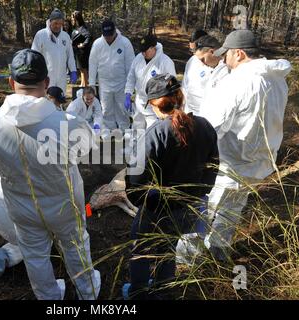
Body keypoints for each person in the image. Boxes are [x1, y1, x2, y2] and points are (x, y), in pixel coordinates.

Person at [0, 49, 100, 300]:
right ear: (46, 83)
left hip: (21, 205)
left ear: (11, 83)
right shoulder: (70, 123)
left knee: (34, 255)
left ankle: (49, 297)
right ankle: (88, 292)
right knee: (75, 246)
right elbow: (83, 152)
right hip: (64, 204)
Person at [123, 73, 219, 299]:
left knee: (142, 250)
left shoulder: (156, 133)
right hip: (186, 208)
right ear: (180, 97)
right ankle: (163, 291)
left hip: (156, 209)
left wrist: (151, 204)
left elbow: (135, 183)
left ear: (155, 105)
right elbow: (212, 169)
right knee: (168, 248)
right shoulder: (204, 127)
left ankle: (138, 292)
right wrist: (194, 196)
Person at [200, 30, 292, 260]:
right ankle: (219, 248)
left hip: (229, 163)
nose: (223, 60)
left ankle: (188, 260)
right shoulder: (277, 79)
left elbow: (210, 127)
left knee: (202, 212)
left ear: (239, 54)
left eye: (226, 55)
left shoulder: (238, 82)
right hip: (258, 162)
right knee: (234, 206)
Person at [176, 35, 230, 265]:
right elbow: (187, 89)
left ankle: (202, 241)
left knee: (206, 188)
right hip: (195, 121)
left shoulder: (228, 72)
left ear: (212, 51)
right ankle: (190, 247)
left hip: (216, 133)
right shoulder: (195, 63)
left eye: (203, 57)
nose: (200, 62)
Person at [88, 19, 135, 135]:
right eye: (105, 36)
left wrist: (130, 88)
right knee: (106, 108)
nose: (108, 38)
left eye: (110, 35)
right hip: (104, 82)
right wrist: (92, 84)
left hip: (121, 81)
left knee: (122, 108)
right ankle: (109, 128)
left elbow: (131, 66)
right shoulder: (98, 44)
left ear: (115, 31)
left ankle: (125, 127)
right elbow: (93, 64)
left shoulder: (125, 43)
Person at [125, 34, 176, 130]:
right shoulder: (138, 59)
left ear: (153, 48)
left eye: (145, 51)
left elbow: (172, 86)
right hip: (140, 103)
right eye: (142, 51)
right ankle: (135, 145)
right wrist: (128, 93)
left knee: (152, 133)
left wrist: (165, 107)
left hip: (155, 107)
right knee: (137, 130)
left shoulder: (165, 62)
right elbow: (131, 77)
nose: (143, 53)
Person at [32, 8, 77, 94]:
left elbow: (70, 55)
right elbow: (34, 55)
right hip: (46, 76)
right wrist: (35, 73)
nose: (58, 26)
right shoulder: (41, 35)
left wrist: (73, 70)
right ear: (50, 21)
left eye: (60, 23)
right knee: (46, 101)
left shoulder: (65, 36)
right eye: (55, 23)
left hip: (61, 76)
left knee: (60, 100)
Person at [181, 29, 212, 115]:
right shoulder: (191, 61)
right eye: (191, 50)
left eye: (195, 49)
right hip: (188, 109)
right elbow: (185, 84)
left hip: (204, 112)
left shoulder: (212, 63)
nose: (193, 53)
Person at [71, 11, 92, 87]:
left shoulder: (82, 28)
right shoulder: (76, 28)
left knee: (84, 69)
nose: (71, 20)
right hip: (78, 52)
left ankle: (85, 84)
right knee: (81, 69)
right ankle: (82, 84)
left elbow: (88, 37)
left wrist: (83, 44)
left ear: (76, 19)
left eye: (72, 18)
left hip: (82, 52)